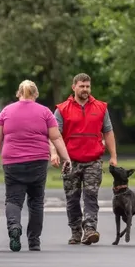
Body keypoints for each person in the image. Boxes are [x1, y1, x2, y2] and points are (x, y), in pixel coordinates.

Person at [0, 80, 71, 252]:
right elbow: (56, 137)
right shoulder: (45, 112)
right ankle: (34, 241)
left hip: (12, 162)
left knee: (13, 199)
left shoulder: (5, 111)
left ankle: (14, 227)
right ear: (36, 94)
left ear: (18, 93)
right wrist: (66, 158)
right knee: (36, 201)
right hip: (38, 162)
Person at [51, 74, 117, 245]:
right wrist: (55, 153)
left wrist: (113, 156)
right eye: (82, 86)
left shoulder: (101, 108)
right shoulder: (62, 109)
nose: (85, 89)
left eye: (88, 86)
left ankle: (90, 229)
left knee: (91, 196)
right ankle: (75, 231)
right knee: (72, 198)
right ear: (74, 87)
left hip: (93, 160)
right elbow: (54, 134)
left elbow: (108, 132)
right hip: (70, 161)